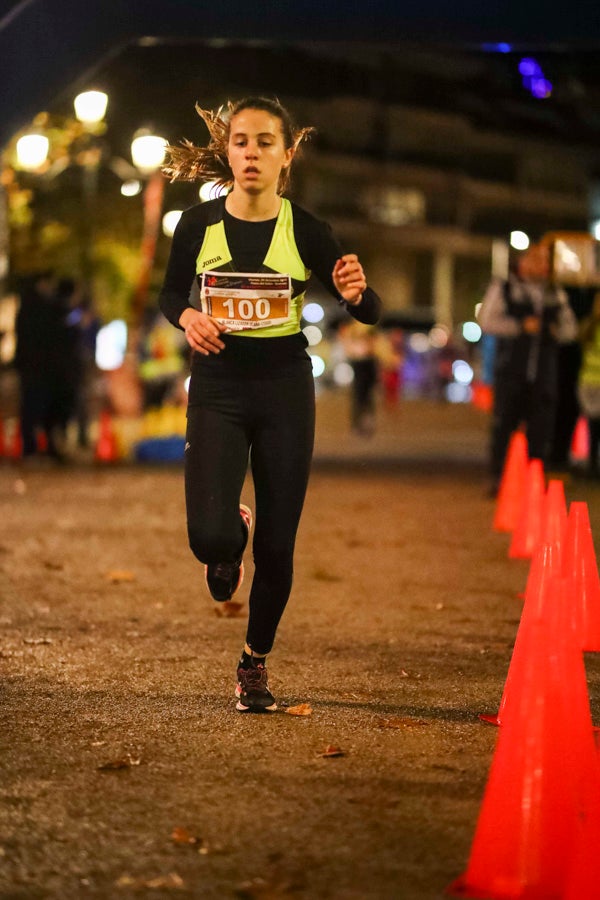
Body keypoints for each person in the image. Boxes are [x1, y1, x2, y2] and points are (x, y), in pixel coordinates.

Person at [158, 97, 382, 713]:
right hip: (219, 388)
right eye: (240, 142)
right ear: (227, 152)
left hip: (284, 390)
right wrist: (186, 316)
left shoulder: (306, 230)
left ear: (287, 155)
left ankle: (254, 662)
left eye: (264, 142)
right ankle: (232, 534)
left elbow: (367, 307)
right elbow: (170, 292)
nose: (250, 152)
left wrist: (357, 296)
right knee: (208, 538)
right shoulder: (197, 226)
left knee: (278, 548)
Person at [478, 242, 577, 494]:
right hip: (511, 370)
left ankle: (535, 482)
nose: (539, 265)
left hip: (544, 374)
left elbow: (570, 330)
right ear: (521, 262)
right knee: (504, 427)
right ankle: (498, 478)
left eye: (544, 260)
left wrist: (554, 330)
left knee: (541, 430)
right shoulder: (505, 287)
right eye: (533, 259)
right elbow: (487, 321)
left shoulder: (556, 293)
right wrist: (521, 327)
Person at [577, 290, 600, 477]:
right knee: (593, 425)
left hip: (589, 382)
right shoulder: (590, 326)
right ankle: (592, 463)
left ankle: (593, 463)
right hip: (590, 383)